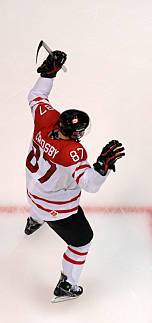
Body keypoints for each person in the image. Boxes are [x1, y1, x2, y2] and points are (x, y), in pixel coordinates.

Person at [25, 49, 125, 302]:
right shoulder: (72, 151)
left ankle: (34, 221)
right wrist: (102, 166)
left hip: (32, 189)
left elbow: (36, 95)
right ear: (77, 133)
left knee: (38, 200)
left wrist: (48, 74)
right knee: (82, 242)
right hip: (55, 206)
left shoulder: (47, 120)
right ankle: (67, 285)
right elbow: (89, 185)